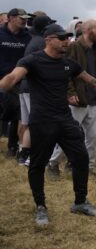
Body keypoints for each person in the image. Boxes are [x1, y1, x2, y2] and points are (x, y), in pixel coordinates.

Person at [0, 24, 96, 225]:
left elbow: (94, 83)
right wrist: (6, 83)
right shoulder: (32, 61)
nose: (66, 41)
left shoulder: (68, 64)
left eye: (67, 37)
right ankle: (41, 206)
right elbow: (13, 77)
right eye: (61, 38)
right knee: (37, 164)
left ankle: (80, 202)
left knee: (80, 158)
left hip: (64, 119)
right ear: (48, 40)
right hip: (42, 121)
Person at [48, 19, 96, 176]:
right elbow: (65, 72)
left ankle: (88, 168)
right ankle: (52, 164)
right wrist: (70, 93)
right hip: (77, 99)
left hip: (93, 99)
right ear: (88, 30)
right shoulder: (73, 47)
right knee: (67, 135)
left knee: (92, 137)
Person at [17, 13, 56, 166]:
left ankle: (25, 155)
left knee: (29, 123)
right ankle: (34, 158)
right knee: (39, 124)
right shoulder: (41, 43)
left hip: (24, 87)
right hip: (34, 88)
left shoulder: (33, 40)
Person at [0, 8, 32, 158]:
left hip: (19, 79)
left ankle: (13, 147)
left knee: (17, 111)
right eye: (21, 18)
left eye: (26, 18)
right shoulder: (1, 34)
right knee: (9, 112)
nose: (24, 20)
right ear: (11, 18)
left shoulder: (27, 36)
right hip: (2, 80)